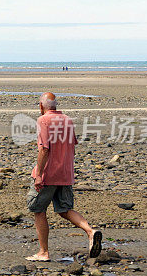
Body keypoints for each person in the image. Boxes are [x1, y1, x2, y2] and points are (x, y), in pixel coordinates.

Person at [25, 92, 101, 261]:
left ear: (41, 106)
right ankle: (90, 231)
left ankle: (43, 252)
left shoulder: (43, 120)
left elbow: (44, 149)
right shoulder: (67, 120)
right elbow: (72, 146)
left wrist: (39, 175)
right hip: (65, 173)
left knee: (38, 210)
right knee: (65, 209)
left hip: (48, 174)